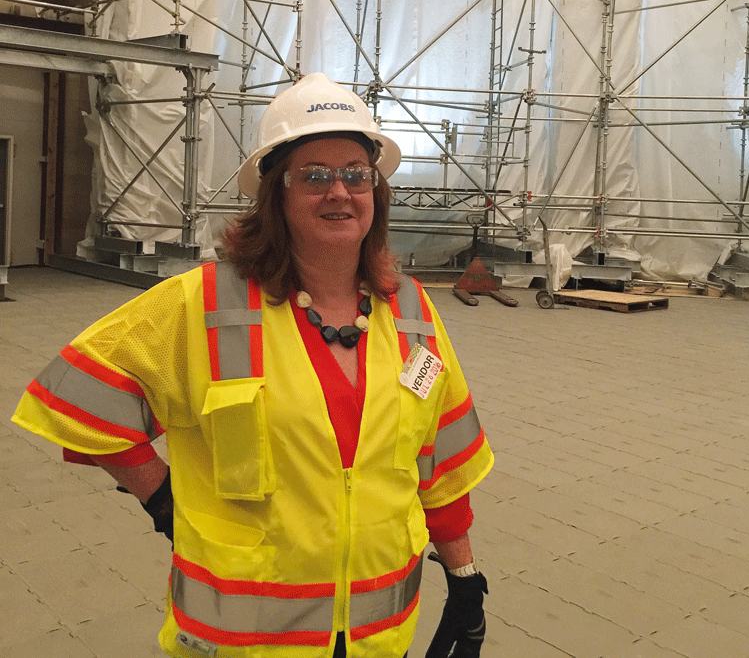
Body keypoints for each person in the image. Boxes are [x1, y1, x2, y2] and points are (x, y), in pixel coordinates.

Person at [12, 72, 493, 658]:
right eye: (315, 176)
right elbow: (75, 400)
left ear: (377, 192)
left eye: (356, 174)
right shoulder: (206, 303)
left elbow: (441, 466)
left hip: (378, 636)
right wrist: (160, 495)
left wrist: (466, 583)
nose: (339, 191)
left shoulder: (413, 312)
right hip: (243, 641)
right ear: (276, 194)